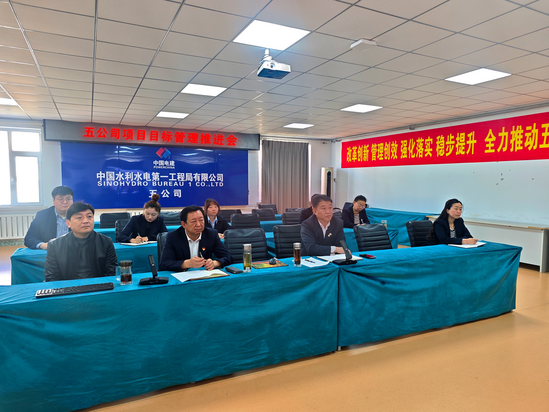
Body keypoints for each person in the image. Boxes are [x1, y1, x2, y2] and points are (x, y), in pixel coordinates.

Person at [45, 202, 118, 282]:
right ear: (68, 223)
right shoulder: (55, 245)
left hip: (98, 286)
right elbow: (51, 277)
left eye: (89, 217)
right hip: (68, 287)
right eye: (79, 217)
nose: (85, 221)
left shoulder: (106, 242)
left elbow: (111, 272)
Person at [159, 205, 233, 272]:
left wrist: (215, 263)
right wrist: (187, 263)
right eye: (193, 221)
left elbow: (228, 257)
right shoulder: (173, 237)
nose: (198, 224)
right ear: (184, 224)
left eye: (201, 220)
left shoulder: (211, 234)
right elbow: (164, 263)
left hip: (204, 276)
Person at [24, 186, 74, 250]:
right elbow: (29, 238)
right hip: (51, 252)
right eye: (61, 199)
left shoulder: (79, 215)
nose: (65, 202)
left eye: (68, 199)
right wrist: (43, 245)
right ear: (53, 200)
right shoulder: (42, 215)